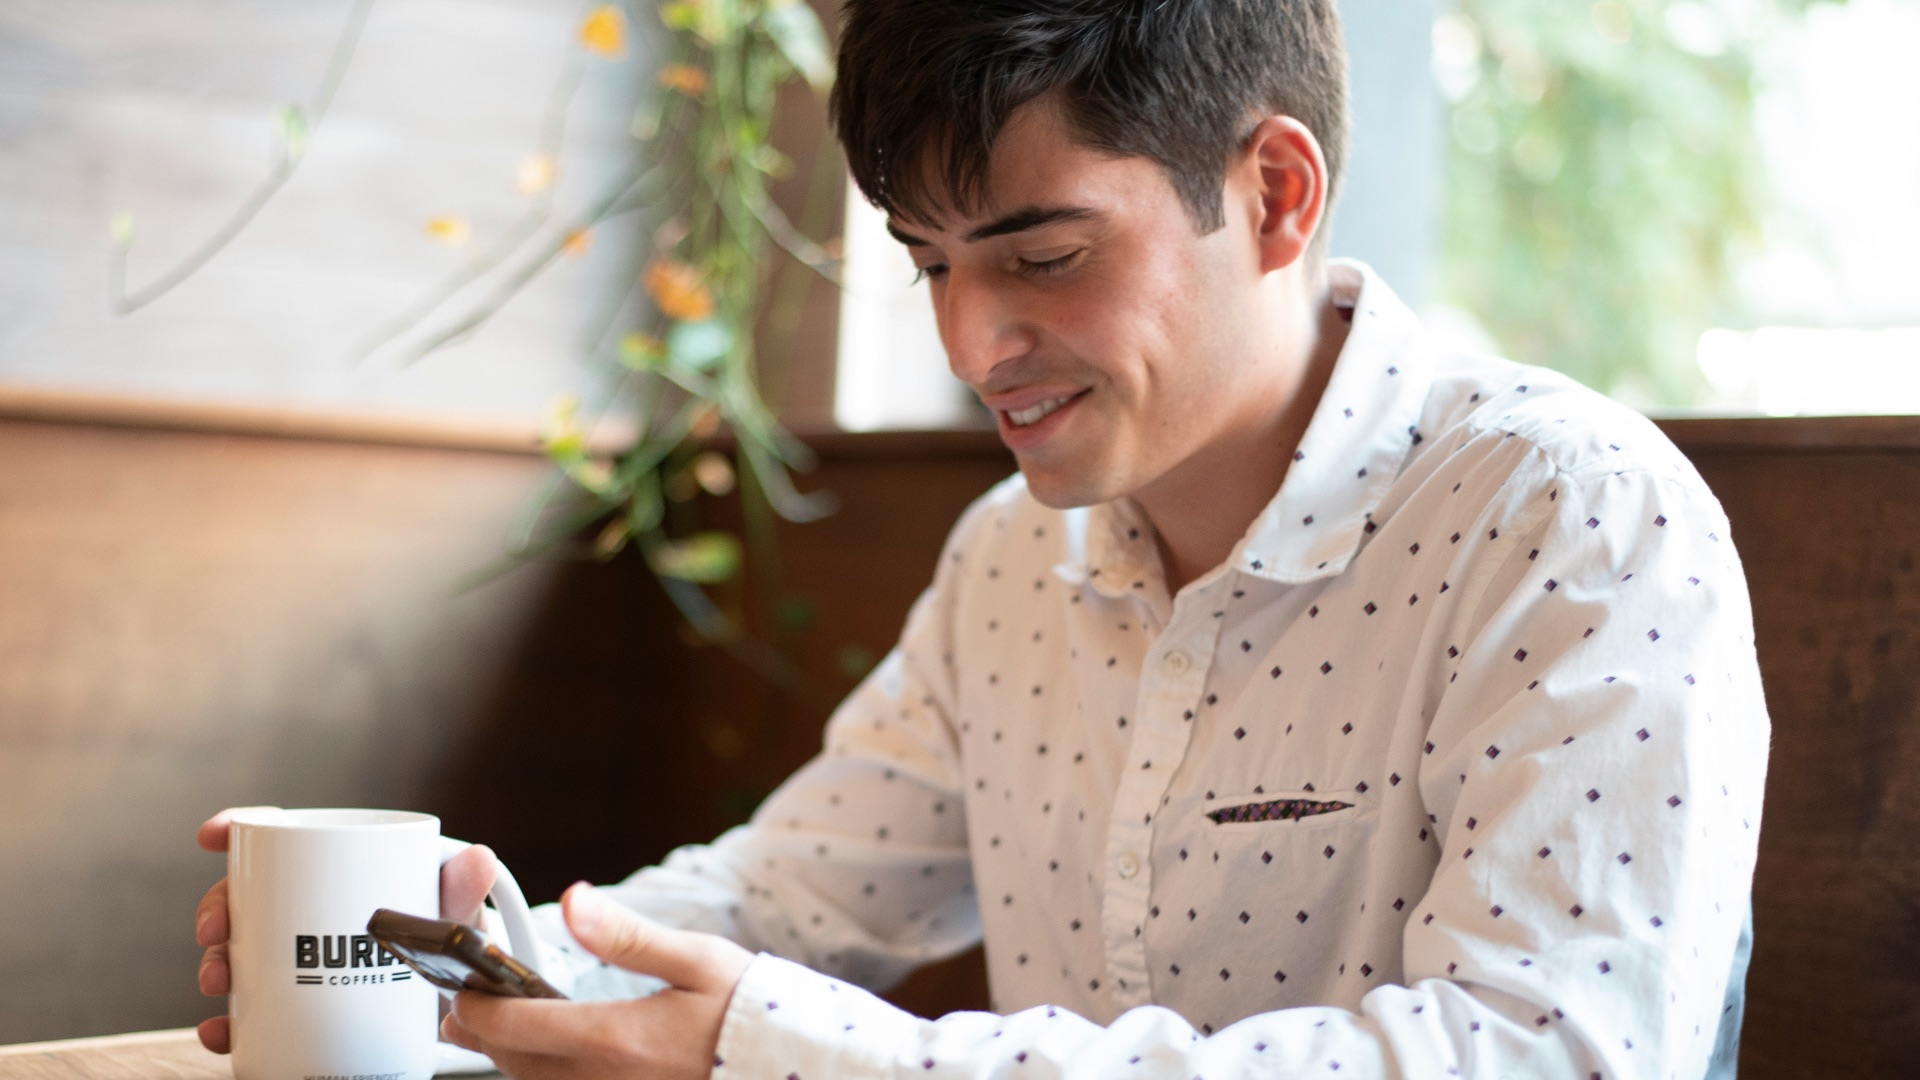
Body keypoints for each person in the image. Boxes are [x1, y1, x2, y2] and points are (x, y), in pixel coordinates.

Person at [192, 2, 1767, 1077]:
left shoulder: (1570, 520)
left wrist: (801, 1054)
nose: (973, 343)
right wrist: (444, 956)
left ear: (1278, 193)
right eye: (928, 265)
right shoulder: (1016, 559)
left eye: (1044, 254)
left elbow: (1546, 1052)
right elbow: (779, 906)